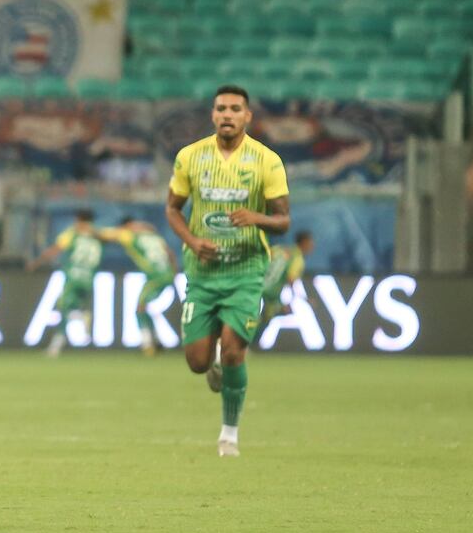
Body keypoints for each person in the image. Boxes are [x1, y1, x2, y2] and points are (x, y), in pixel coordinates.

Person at [164, 85, 290, 457]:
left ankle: (229, 435)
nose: (227, 115)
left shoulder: (267, 161)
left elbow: (283, 221)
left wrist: (256, 218)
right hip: (202, 272)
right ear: (213, 114)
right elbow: (172, 208)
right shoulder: (190, 157)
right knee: (196, 362)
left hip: (246, 271)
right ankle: (213, 360)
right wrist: (192, 240)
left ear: (247, 116)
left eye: (235, 109)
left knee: (234, 352)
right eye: (221, 108)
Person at [27, 209, 103, 357]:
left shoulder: (72, 234)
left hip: (73, 277)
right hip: (89, 278)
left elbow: (55, 250)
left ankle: (56, 345)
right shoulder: (99, 235)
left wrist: (36, 263)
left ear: (79, 219)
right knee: (76, 306)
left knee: (64, 308)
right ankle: (81, 316)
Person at [97, 217, 177, 356]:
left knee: (140, 308)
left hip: (155, 276)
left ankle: (147, 344)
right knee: (144, 308)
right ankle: (156, 340)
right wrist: (174, 273)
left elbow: (105, 235)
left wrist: (88, 231)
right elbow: (170, 253)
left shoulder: (128, 234)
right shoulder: (154, 236)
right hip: (167, 274)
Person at [257, 230, 315, 336]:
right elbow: (291, 279)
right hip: (270, 294)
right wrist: (304, 298)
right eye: (311, 243)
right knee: (265, 319)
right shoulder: (298, 259)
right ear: (304, 242)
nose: (313, 246)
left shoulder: (279, 249)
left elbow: (262, 259)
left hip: (256, 286)